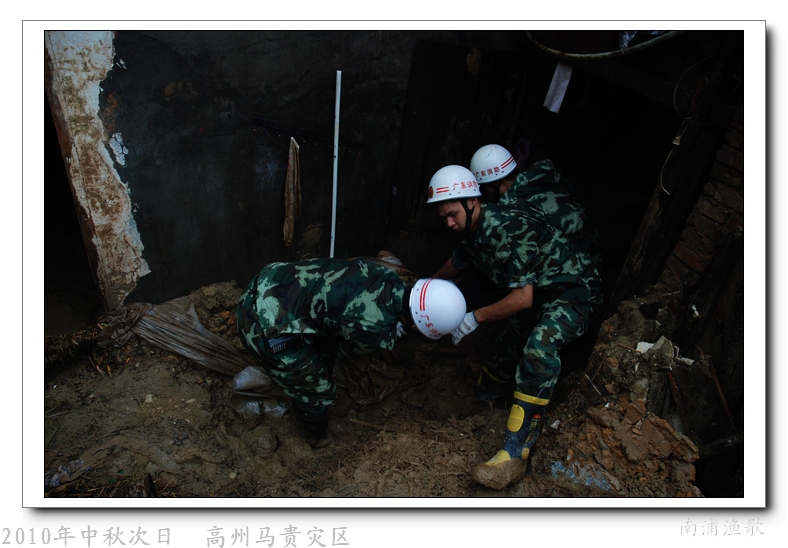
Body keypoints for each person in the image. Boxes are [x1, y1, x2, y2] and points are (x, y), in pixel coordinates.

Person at [427, 165, 603, 489]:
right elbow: (458, 262)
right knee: (508, 342)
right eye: (444, 218)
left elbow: (522, 298)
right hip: (543, 292)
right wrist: (425, 288)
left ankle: (516, 450)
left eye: (452, 214)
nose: (449, 223)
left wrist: (473, 318)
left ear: (472, 202)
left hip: (573, 292)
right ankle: (485, 398)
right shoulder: (471, 230)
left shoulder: (507, 227)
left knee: (538, 348)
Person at [236, 257, 466, 448]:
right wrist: (381, 333)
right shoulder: (375, 327)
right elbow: (349, 353)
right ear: (417, 325)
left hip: (268, 281)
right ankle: (315, 439)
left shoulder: (387, 276)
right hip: (260, 324)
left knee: (324, 349)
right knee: (319, 391)